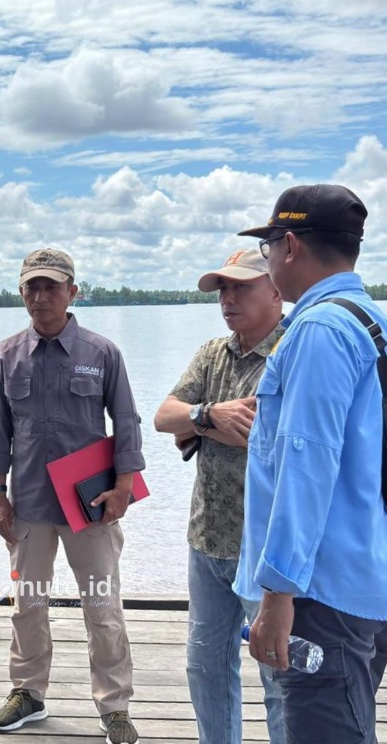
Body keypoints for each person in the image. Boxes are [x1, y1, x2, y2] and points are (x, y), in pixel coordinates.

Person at [233, 185, 387, 743]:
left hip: (318, 592)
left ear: (291, 245)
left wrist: (278, 593)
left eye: (269, 245)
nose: (269, 258)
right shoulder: (370, 321)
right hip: (363, 571)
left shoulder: (319, 331)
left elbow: (306, 466)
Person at [0, 248, 144, 744]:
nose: (41, 296)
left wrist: (123, 487)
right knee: (27, 604)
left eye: (51, 286)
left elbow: (127, 420)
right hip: (29, 503)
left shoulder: (102, 353)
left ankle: (114, 706)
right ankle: (28, 692)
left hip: (90, 506)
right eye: (31, 286)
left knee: (102, 607)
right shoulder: (5, 355)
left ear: (72, 292)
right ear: (21, 293)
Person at [153, 248, 285, 744]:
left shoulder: (292, 351)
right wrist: (209, 416)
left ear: (276, 289)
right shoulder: (213, 352)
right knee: (205, 664)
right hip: (206, 538)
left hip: (266, 547)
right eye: (222, 289)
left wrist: (198, 424)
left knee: (278, 673)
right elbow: (164, 415)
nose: (228, 298)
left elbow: (267, 435)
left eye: (241, 287)